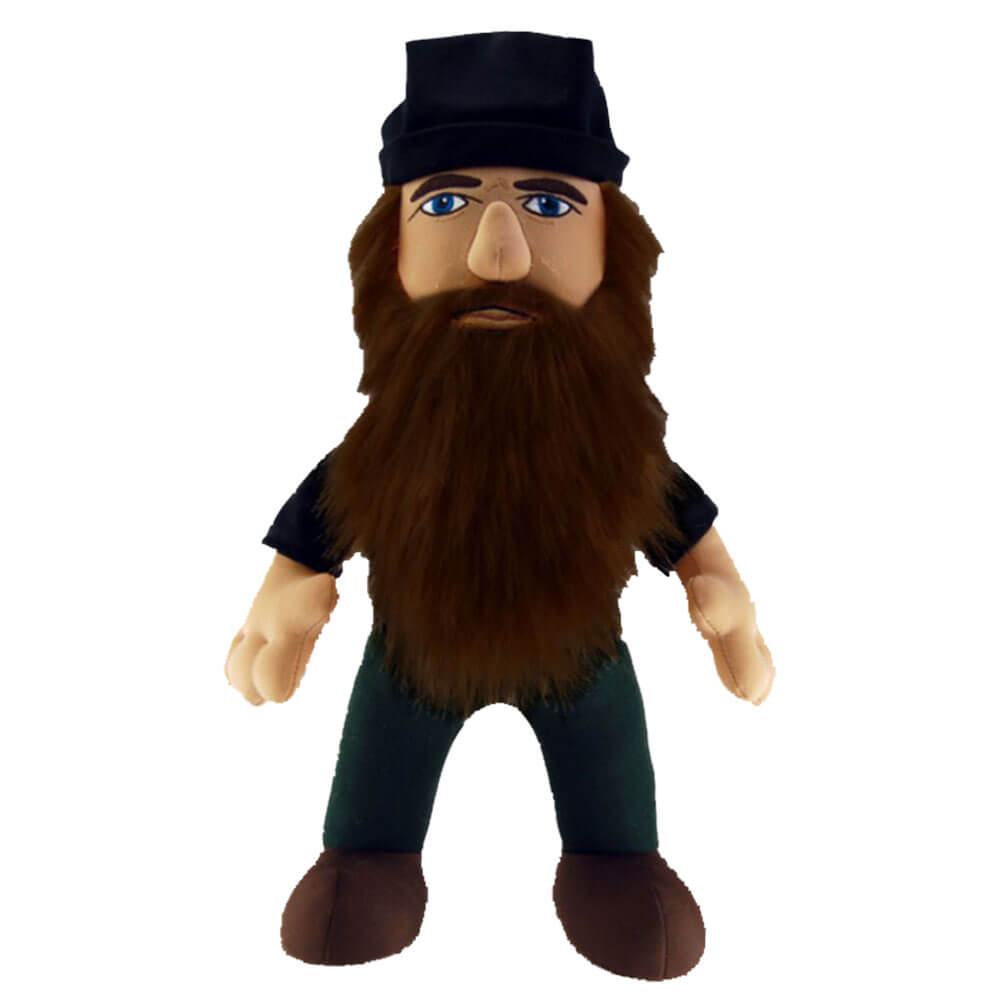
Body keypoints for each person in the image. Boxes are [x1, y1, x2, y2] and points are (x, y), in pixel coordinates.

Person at [225, 31, 774, 981]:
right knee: (372, 812)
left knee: (611, 792)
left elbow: (683, 524)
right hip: (414, 652)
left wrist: (723, 596)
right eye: (445, 203)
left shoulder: (612, 442)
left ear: (612, 253)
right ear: (392, 251)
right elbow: (321, 522)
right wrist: (285, 599)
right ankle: (368, 859)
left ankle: (615, 862)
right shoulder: (388, 439)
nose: (497, 251)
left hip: (580, 654)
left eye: (549, 204)